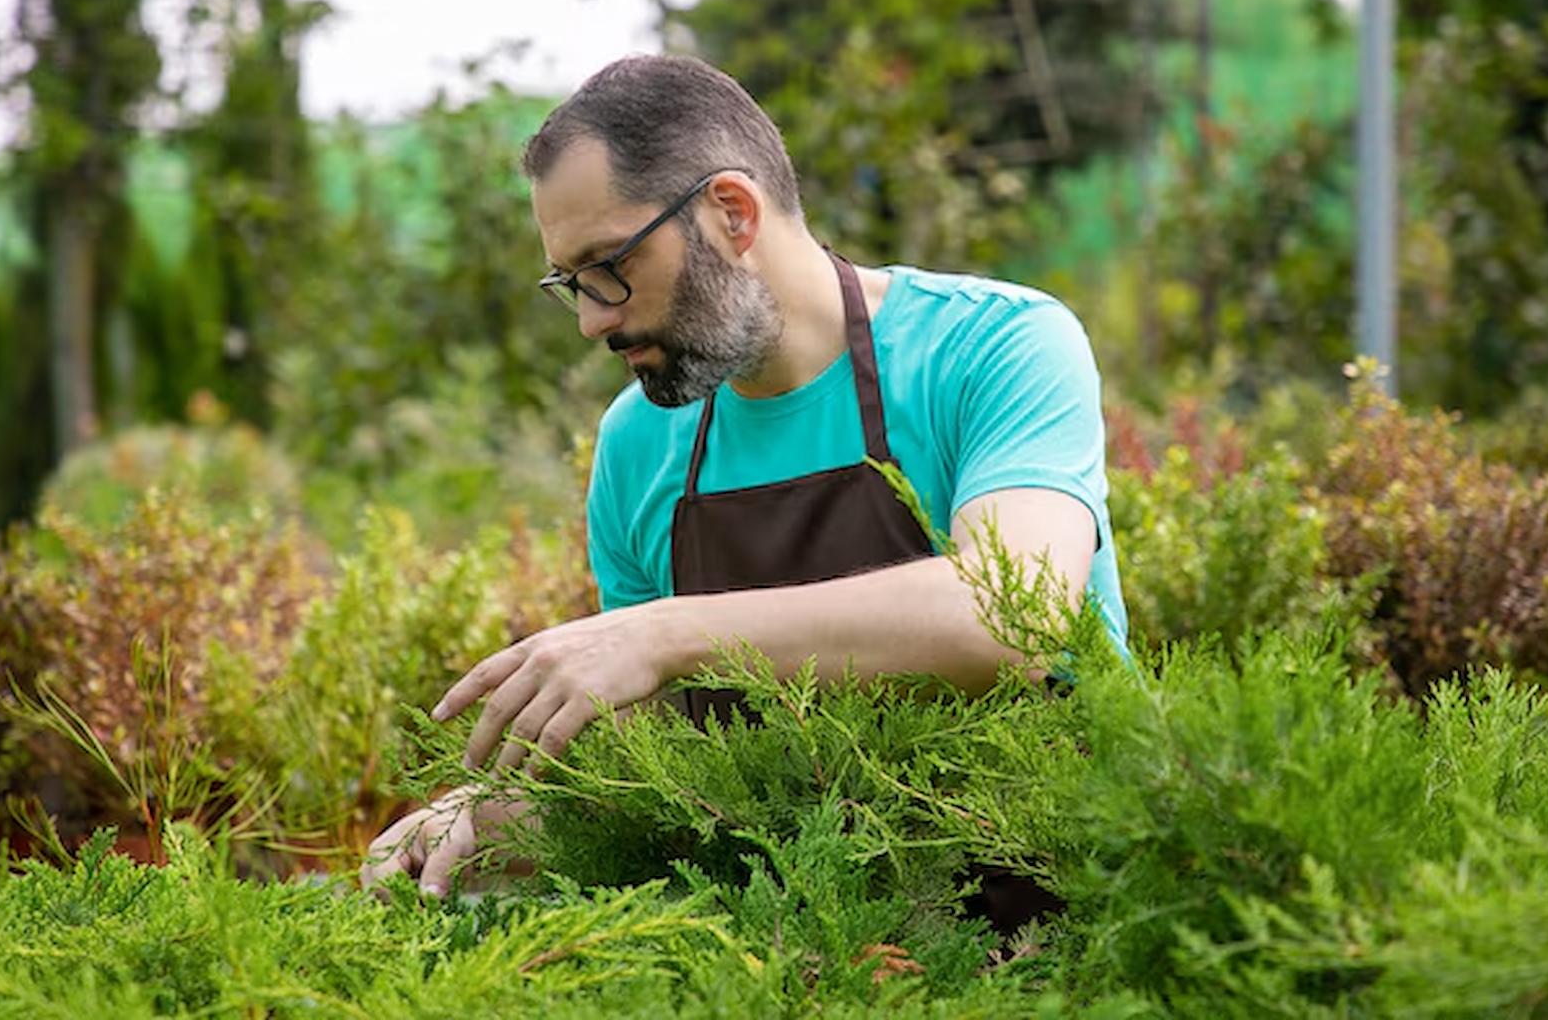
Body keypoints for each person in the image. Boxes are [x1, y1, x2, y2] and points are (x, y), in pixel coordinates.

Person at [360, 55, 1126, 900]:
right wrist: (486, 815)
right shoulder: (637, 446)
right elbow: (662, 768)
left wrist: (666, 633)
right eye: (569, 283)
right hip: (798, 943)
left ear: (731, 212)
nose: (591, 320)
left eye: (608, 265)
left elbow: (1010, 617)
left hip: (1065, 917)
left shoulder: (995, 348)